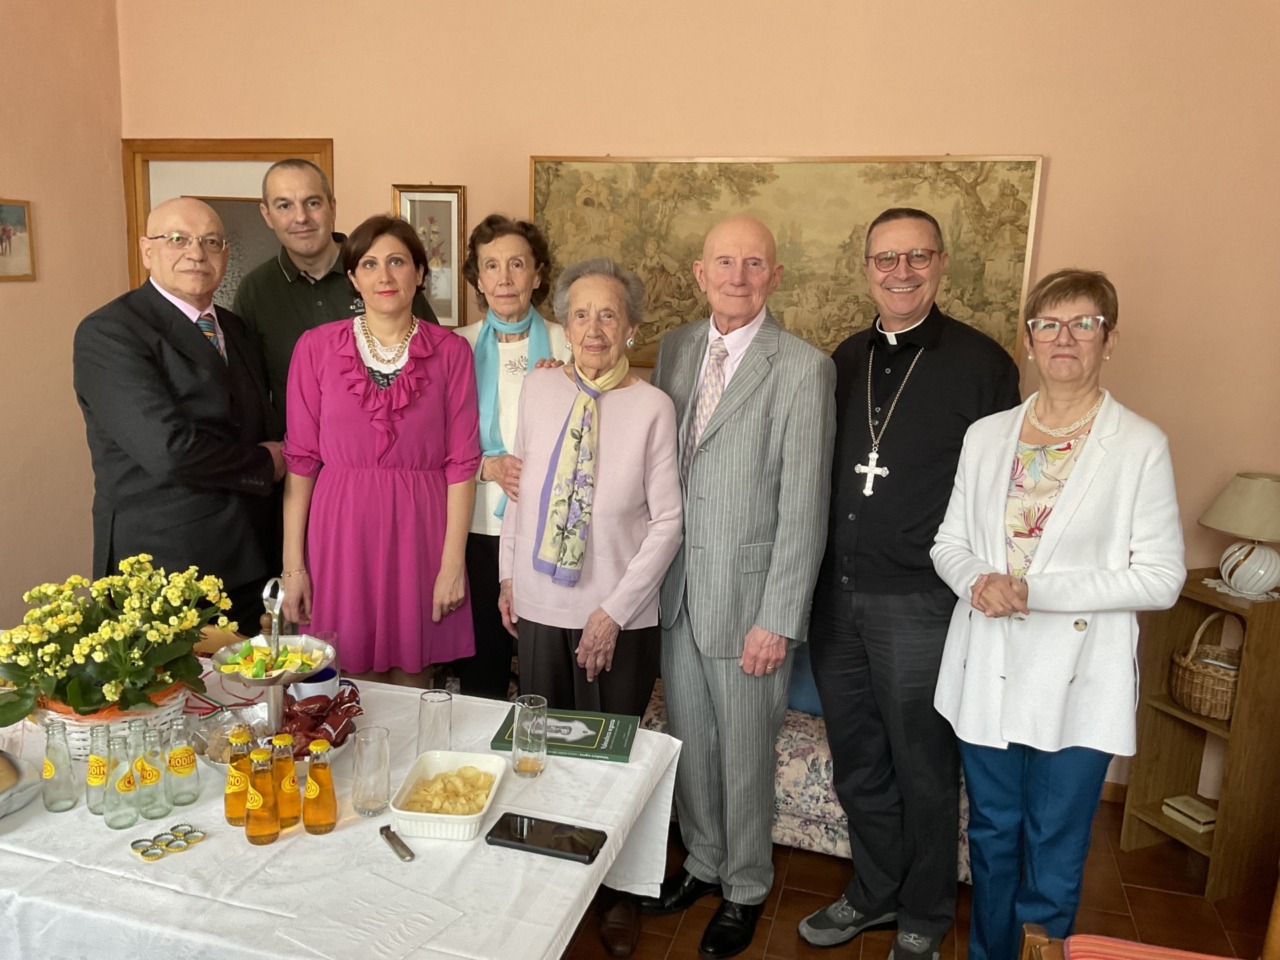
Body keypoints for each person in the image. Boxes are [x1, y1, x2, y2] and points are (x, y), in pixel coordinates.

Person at [931, 269, 1184, 960]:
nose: (1064, 338)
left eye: (1083, 324)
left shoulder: (1138, 445)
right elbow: (948, 541)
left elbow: (1161, 578)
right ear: (1029, 339)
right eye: (1049, 324)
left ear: (1109, 338)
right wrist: (978, 580)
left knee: (1053, 841)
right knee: (991, 832)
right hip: (988, 665)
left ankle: (1042, 952)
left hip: (1079, 677)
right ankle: (989, 954)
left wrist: (1035, 591)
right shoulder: (987, 435)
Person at [800, 208, 1021, 959]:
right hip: (836, 596)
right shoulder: (843, 359)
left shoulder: (982, 364)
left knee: (922, 762)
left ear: (941, 263)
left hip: (922, 601)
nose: (901, 271)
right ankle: (872, 892)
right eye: (885, 258)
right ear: (865, 267)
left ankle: (926, 910)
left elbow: (1002, 495)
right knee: (859, 758)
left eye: (916, 256)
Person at [642, 216, 836, 960]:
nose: (738, 276)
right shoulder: (677, 348)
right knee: (690, 741)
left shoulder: (802, 368)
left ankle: (748, 886)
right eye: (724, 261)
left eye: (754, 263)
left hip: (751, 601)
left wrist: (778, 617)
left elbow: (804, 509)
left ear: (775, 277)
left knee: (746, 750)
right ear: (700, 272)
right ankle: (705, 861)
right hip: (679, 590)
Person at [498, 258, 682, 957]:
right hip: (542, 604)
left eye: (609, 314)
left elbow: (667, 522)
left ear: (632, 327)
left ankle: (620, 894)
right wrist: (508, 576)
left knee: (612, 760)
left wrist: (612, 611)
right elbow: (521, 488)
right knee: (542, 755)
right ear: (565, 325)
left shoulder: (653, 407)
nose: (595, 327)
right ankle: (552, 883)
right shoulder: (541, 391)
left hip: (620, 618)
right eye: (581, 314)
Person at [280, 215, 479, 683]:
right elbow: (301, 463)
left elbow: (462, 464)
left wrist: (453, 565)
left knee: (415, 678)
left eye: (397, 262)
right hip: (340, 530)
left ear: (420, 273)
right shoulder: (315, 349)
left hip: (422, 530)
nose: (384, 276)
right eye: (369, 264)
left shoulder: (451, 353)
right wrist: (294, 567)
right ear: (352, 277)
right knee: (343, 679)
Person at [72, 197, 283, 627]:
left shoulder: (236, 329)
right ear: (147, 250)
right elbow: (170, 451)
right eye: (177, 239)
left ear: (226, 254)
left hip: (247, 560)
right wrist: (268, 462)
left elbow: (255, 421)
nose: (196, 252)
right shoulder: (111, 332)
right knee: (170, 695)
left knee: (248, 690)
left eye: (211, 241)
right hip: (164, 567)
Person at [452, 214, 570, 699]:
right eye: (491, 266)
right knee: (483, 670)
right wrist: (487, 465)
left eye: (516, 264)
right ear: (477, 278)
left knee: (548, 669)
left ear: (537, 275)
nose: (504, 278)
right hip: (476, 528)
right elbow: (436, 445)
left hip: (547, 530)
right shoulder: (452, 346)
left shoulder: (570, 344)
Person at [233, 159, 437, 418]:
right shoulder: (255, 291)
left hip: (397, 445)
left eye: (313, 203)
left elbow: (435, 364)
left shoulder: (384, 278)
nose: (301, 217)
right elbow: (250, 392)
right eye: (285, 205)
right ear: (267, 214)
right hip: (298, 451)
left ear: (332, 207)